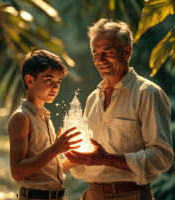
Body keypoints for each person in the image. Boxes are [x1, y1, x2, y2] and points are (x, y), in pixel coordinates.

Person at [65, 19, 174, 200]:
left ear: (127, 52)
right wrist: (67, 150)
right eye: (95, 53)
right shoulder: (93, 98)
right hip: (91, 195)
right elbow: (85, 162)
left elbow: (162, 157)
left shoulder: (148, 94)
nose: (100, 60)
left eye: (107, 51)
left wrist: (108, 159)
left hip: (130, 195)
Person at [8, 48, 82, 200]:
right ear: (30, 80)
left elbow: (46, 170)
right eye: (49, 80)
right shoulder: (22, 117)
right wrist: (55, 149)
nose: (55, 87)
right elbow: (17, 172)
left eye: (58, 81)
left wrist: (77, 158)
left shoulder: (44, 116)